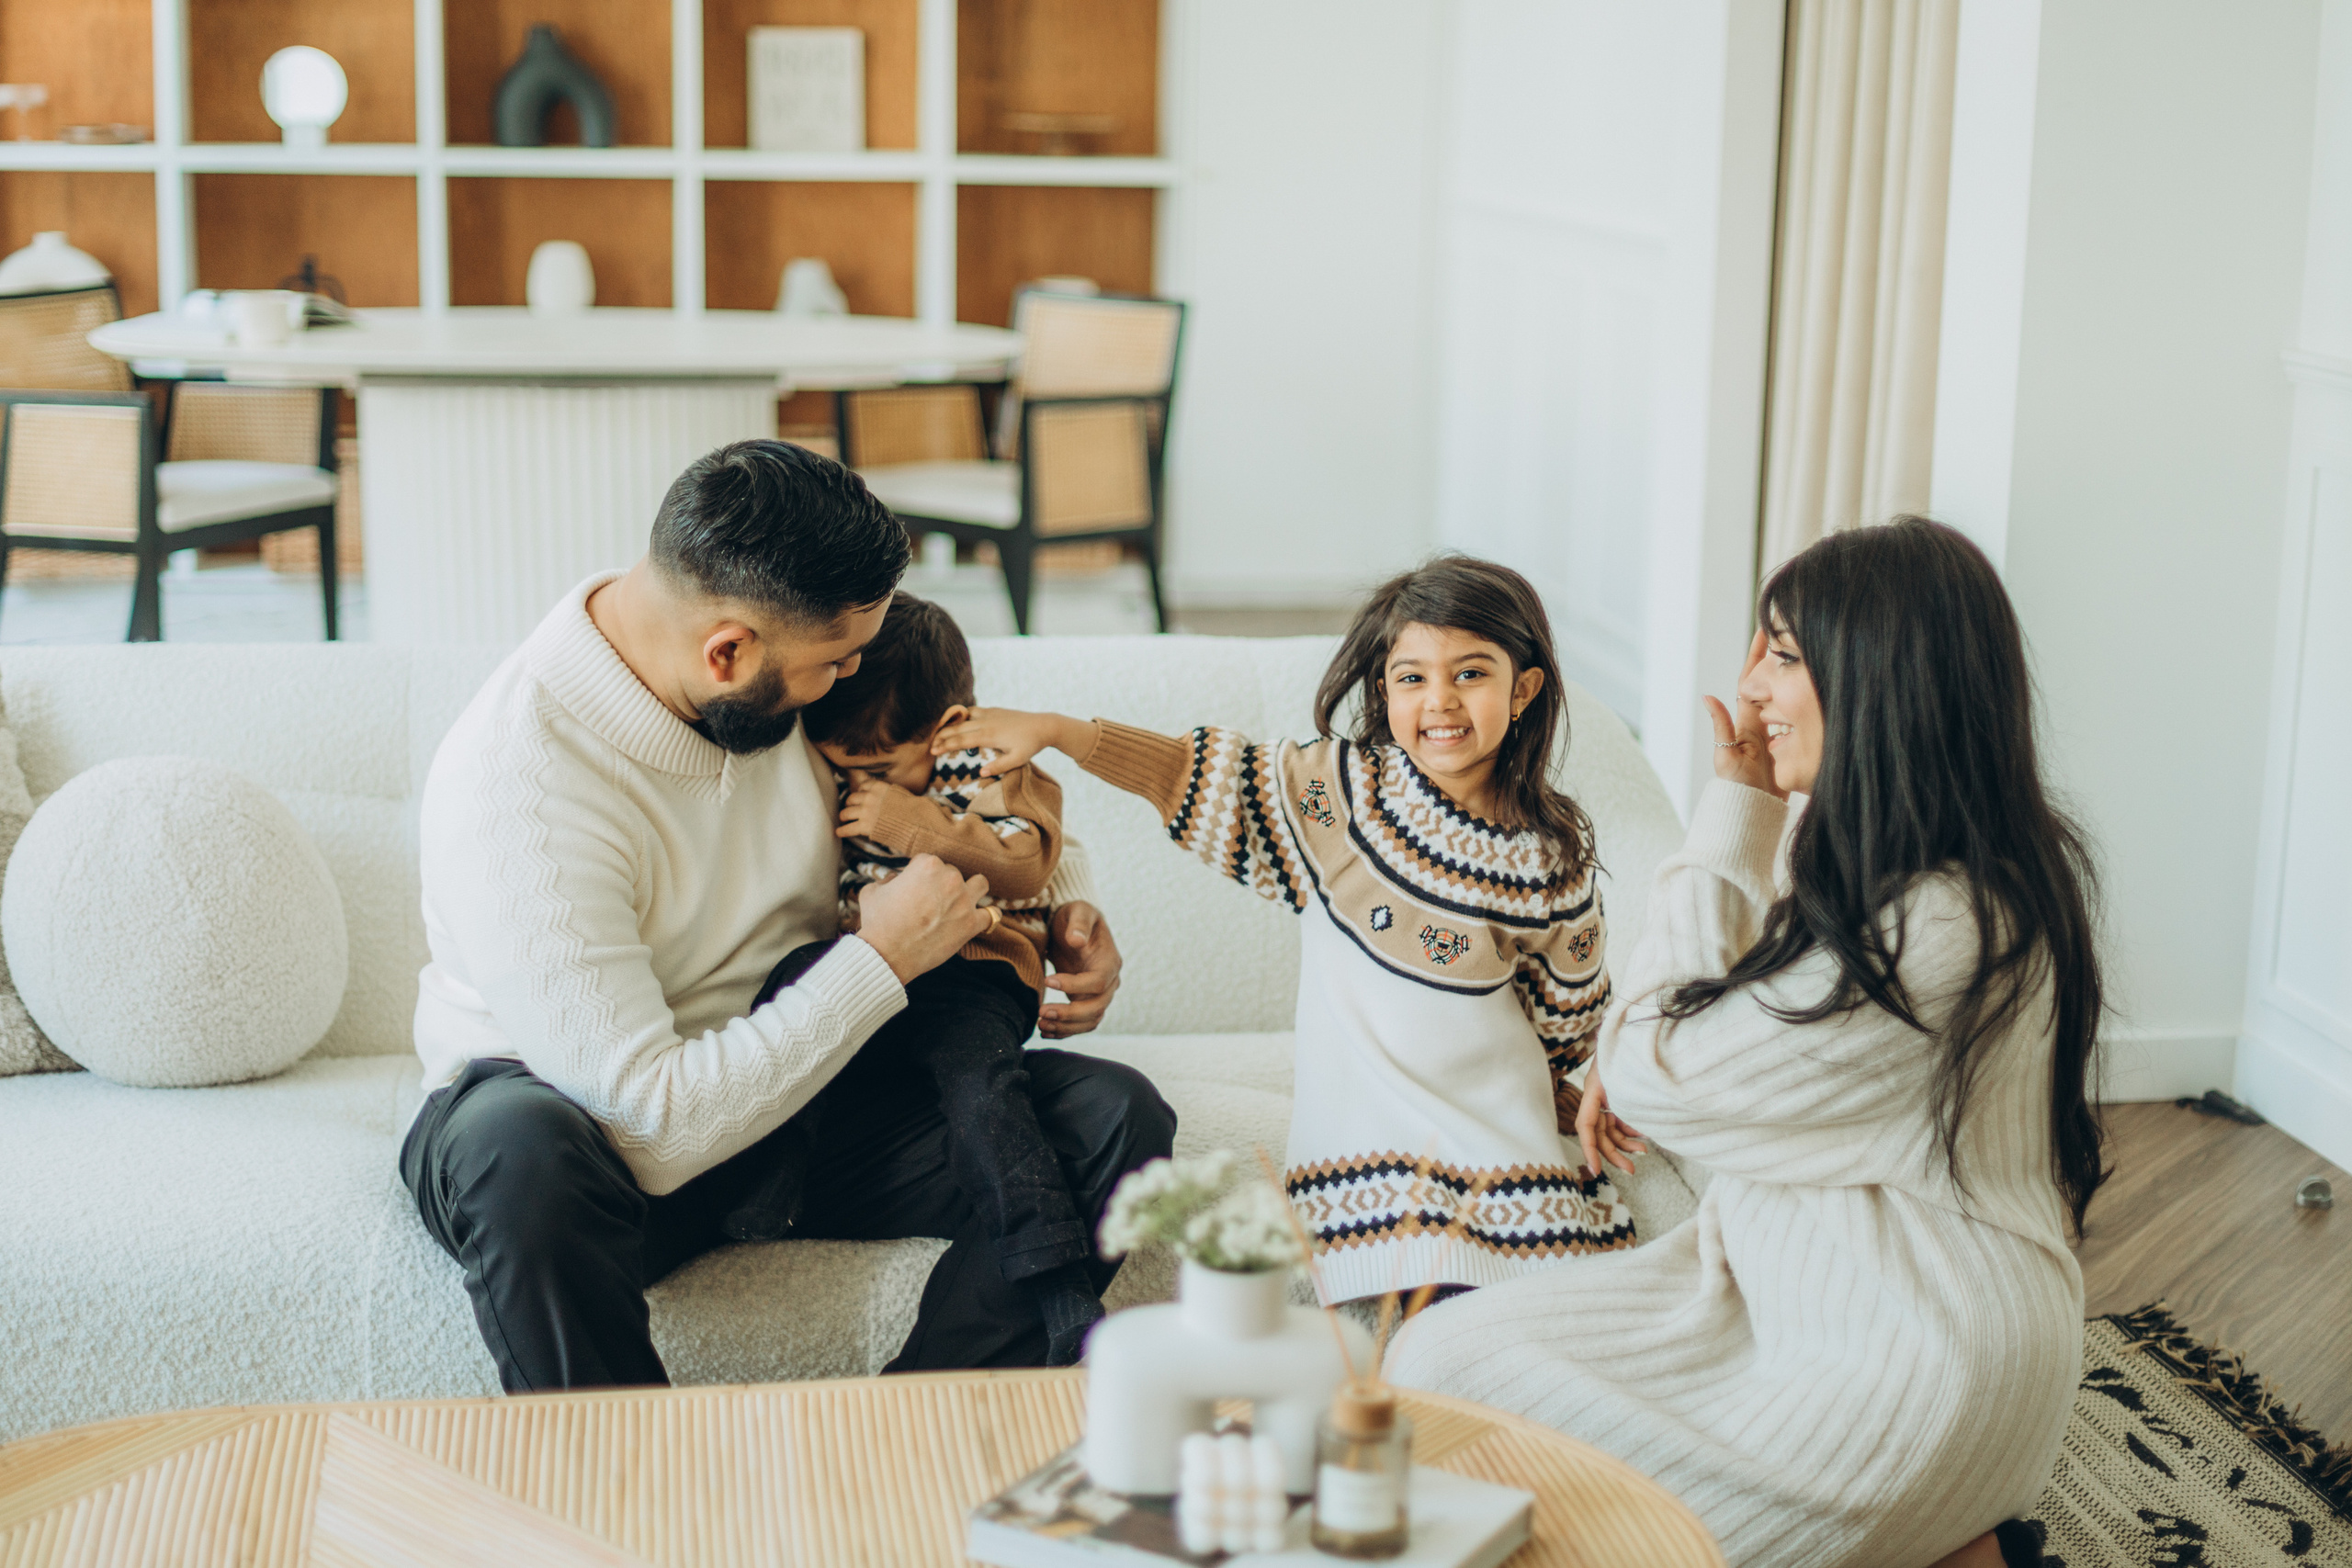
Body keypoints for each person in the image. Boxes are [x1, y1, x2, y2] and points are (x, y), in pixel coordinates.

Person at [1384, 518, 2104, 1568]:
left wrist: (1733, 813)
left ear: (1882, 679)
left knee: (1588, 1523)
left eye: (1783, 654)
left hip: (1904, 1357)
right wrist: (1663, 1060)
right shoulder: (1885, 851)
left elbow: (1653, 1058)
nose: (1749, 687)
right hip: (1773, 1288)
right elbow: (1694, 1042)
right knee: (1434, 1364)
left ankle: (1951, 1532)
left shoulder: (1944, 921)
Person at [399, 440, 1172, 1390]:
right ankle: (619, 1501)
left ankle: (905, 1433)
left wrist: (1063, 903)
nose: (850, 682)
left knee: (1111, 1119)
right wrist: (882, 959)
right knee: (519, 1156)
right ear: (727, 652)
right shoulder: (518, 782)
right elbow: (652, 1126)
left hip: (799, 1099)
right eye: (835, 665)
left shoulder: (773, 679)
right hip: (595, 1137)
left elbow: (947, 774)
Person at [937, 556, 1626, 1307]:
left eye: (1471, 674)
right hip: (1375, 1164)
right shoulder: (1337, 796)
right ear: (1382, 688)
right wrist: (1063, 731)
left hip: (1506, 1146)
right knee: (1435, 1333)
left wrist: (1562, 1081)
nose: (1440, 700)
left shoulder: (1549, 857)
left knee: (1545, 1316)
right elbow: (1189, 773)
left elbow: (1569, 1007)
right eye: (1411, 677)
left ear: (1523, 688)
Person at [718, 590, 1108, 1366]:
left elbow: (1026, 858)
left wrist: (904, 816)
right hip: (880, 969)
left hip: (976, 968)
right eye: (845, 773)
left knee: (983, 1089)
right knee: (794, 984)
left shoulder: (995, 760)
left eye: (880, 769)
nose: (857, 787)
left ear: (948, 729)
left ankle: (1055, 1271)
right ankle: (762, 1188)